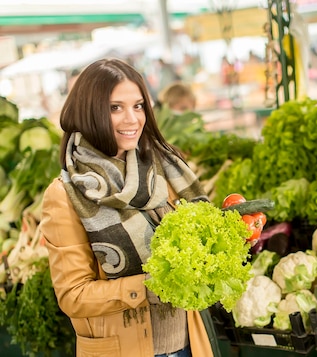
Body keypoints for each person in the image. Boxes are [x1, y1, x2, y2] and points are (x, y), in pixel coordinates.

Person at [39, 58, 213, 357]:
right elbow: (73, 296)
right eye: (115, 108)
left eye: (138, 105)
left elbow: (195, 244)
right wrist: (147, 288)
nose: (132, 119)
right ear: (89, 112)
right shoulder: (65, 194)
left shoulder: (164, 169)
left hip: (188, 343)